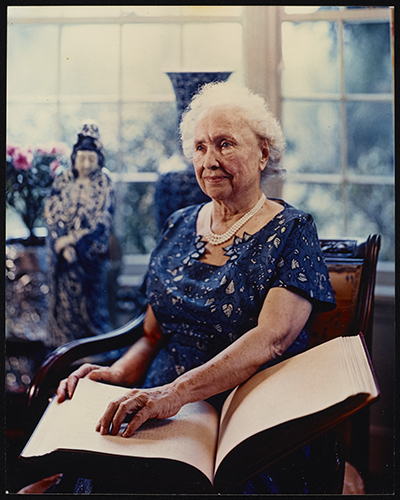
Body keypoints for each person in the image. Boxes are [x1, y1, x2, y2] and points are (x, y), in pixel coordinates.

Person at [25, 82, 337, 494]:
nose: (209, 160)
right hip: (161, 402)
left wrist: (172, 395)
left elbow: (272, 339)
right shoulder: (179, 224)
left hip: (243, 414)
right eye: (200, 147)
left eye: (225, 144)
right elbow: (153, 334)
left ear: (263, 152)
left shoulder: (293, 230)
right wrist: (116, 374)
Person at [43, 123, 115, 349]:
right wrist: (62, 243)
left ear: (99, 159)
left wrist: (74, 241)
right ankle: (63, 345)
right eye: (81, 159)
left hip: (89, 253)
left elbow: (102, 219)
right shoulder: (63, 180)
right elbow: (51, 212)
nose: (86, 165)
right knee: (64, 304)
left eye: (91, 160)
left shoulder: (104, 182)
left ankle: (92, 347)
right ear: (74, 158)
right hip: (62, 254)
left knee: (89, 302)